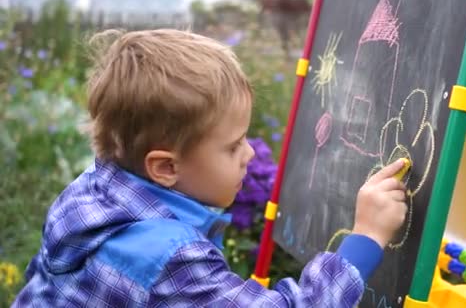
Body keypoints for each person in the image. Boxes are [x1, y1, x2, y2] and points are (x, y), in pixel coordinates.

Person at [12, 29, 408, 307]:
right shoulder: (168, 262)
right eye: (233, 145)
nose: (250, 155)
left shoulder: (89, 194)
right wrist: (367, 237)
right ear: (166, 167)